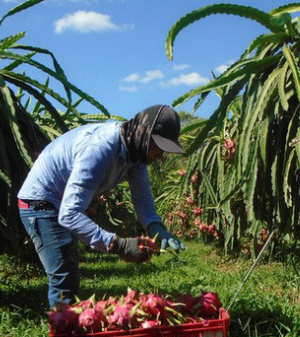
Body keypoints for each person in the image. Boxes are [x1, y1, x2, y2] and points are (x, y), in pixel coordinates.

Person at [17, 104, 186, 308]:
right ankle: (65, 334)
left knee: (68, 266)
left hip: (61, 201)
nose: (159, 155)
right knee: (63, 274)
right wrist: (118, 245)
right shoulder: (101, 148)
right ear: (144, 134)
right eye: (158, 147)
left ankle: (71, 329)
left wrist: (155, 226)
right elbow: (69, 214)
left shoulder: (136, 154)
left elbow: (142, 198)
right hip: (40, 201)